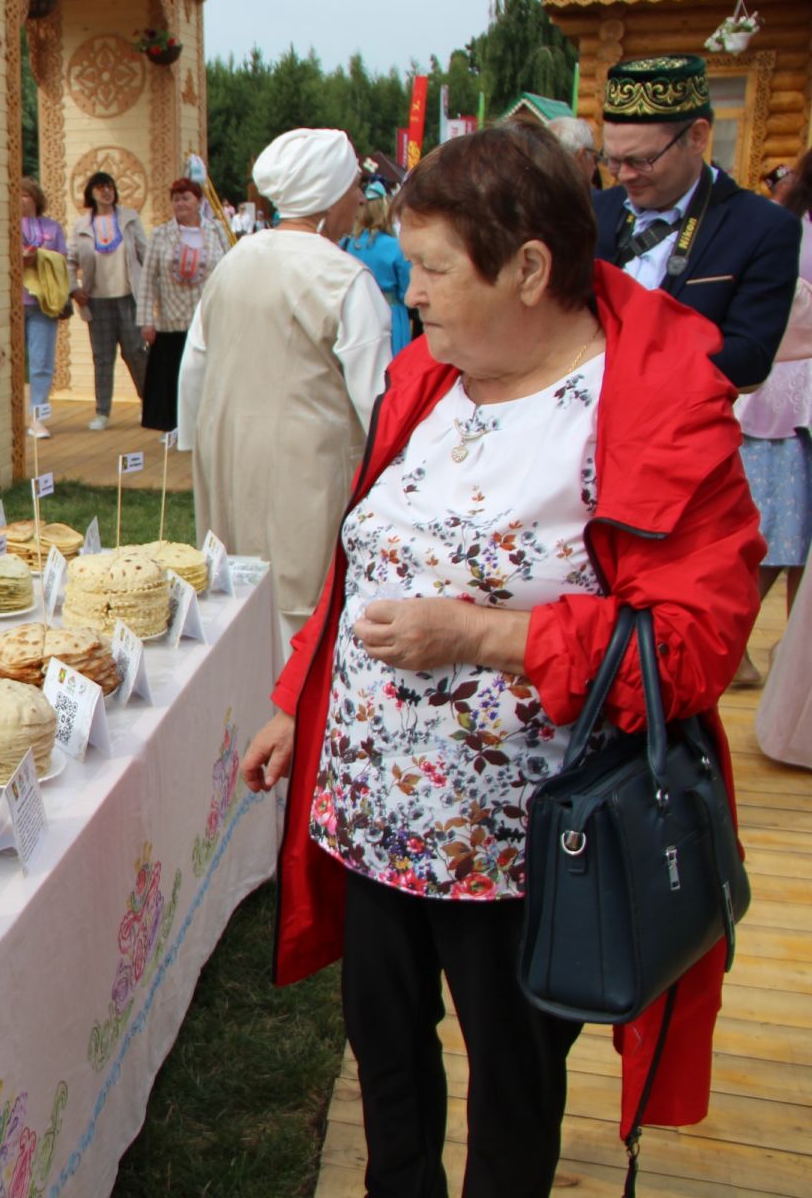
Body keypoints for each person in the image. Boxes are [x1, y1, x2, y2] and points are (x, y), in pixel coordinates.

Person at [240, 122, 761, 1197]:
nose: (411, 295)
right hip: (374, 810)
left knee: (513, 1085)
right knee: (386, 1055)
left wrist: (488, 635)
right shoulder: (432, 378)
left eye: (432, 270)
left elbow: (694, 648)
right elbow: (363, 562)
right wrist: (301, 701)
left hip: (525, 841)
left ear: (529, 267)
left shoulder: (649, 405)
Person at [178, 128, 390, 637]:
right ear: (329, 194)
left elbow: (194, 369)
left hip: (229, 459)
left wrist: (197, 446)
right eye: (353, 186)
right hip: (309, 472)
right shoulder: (345, 278)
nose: (360, 198)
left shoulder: (233, 263)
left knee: (238, 603)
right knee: (306, 611)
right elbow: (381, 404)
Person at [594, 54, 801, 389]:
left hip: (677, 430)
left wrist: (624, 349)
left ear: (697, 138)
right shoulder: (592, 210)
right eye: (612, 160)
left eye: (640, 160)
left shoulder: (763, 228)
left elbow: (748, 360)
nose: (624, 176)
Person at [734, 148, 812, 686]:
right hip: (790, 401)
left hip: (777, 396)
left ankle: (791, 655)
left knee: (786, 535)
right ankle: (756, 650)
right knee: (784, 535)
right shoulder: (793, 232)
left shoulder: (787, 223)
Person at [135, 178, 227, 430]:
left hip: (208, 317)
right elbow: (148, 278)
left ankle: (206, 424)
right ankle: (173, 426)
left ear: (199, 201)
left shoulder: (216, 230)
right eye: (176, 199)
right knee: (173, 373)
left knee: (207, 373)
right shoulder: (161, 234)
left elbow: (228, 270)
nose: (181, 203)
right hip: (171, 319)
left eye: (186, 198)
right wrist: (146, 320)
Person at [67, 171, 149, 430]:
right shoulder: (81, 226)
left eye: (110, 187)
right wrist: (74, 289)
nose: (106, 191)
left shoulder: (129, 219)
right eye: (101, 187)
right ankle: (102, 411)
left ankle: (149, 404)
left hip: (128, 296)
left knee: (136, 352)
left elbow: (144, 252)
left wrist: (151, 289)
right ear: (91, 192)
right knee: (102, 357)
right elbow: (69, 262)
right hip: (97, 300)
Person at [18, 176, 68, 438]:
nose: (20, 200)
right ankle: (12, 415)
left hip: (43, 303)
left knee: (41, 362)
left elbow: (63, 261)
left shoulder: (52, 228)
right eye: (15, 195)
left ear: (36, 199)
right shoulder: (5, 225)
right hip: (14, 304)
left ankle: (37, 418)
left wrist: (41, 256)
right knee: (12, 364)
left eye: (25, 195)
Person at [341, 181, 414, 356]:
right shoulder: (395, 246)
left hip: (356, 313)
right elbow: (408, 288)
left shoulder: (348, 244)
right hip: (391, 313)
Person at [546, 114, 602, 190]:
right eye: (594, 158)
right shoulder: (597, 200)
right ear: (582, 156)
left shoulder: (532, 194)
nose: (595, 167)